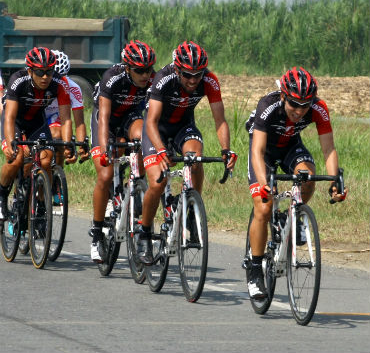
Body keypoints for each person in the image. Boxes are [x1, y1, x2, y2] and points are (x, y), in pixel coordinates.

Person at [245, 66, 347, 299]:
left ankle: (294, 214)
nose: (300, 111)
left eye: (305, 105)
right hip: (265, 152)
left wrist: (334, 183)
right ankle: (254, 269)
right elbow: (258, 151)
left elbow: (328, 148)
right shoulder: (267, 105)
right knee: (264, 206)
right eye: (294, 104)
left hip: (291, 146)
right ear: (283, 96)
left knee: (308, 177)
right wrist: (263, 184)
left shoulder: (318, 108)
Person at [139, 41, 238, 265]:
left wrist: (226, 150)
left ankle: (192, 209)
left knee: (195, 160)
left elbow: (220, 120)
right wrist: (162, 150)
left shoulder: (210, 81)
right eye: (187, 75)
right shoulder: (163, 79)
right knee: (156, 183)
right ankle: (144, 233)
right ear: (177, 69)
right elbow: (151, 122)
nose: (193, 80)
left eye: (198, 75)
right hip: (157, 130)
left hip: (185, 126)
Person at [89, 40, 156, 263]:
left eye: (148, 69)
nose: (145, 75)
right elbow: (104, 117)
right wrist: (104, 148)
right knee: (106, 174)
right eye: (140, 70)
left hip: (130, 118)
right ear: (128, 68)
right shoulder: (113, 77)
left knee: (142, 139)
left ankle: (135, 182)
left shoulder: (153, 80)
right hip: (106, 120)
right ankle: (97, 233)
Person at [0, 46, 75, 220]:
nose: (45, 77)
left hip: (36, 122)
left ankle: (41, 204)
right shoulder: (18, 80)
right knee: (16, 158)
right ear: (30, 70)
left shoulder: (59, 84)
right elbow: (9, 117)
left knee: (47, 159)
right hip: (15, 121)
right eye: (40, 72)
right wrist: (12, 142)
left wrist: (67, 144)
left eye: (49, 72)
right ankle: (2, 195)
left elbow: (66, 119)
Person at [45, 50, 88, 167]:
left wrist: (81, 144)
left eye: (61, 78)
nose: (57, 83)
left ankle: (57, 171)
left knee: (58, 137)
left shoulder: (73, 87)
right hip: (37, 113)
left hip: (55, 116)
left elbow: (79, 122)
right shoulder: (40, 81)